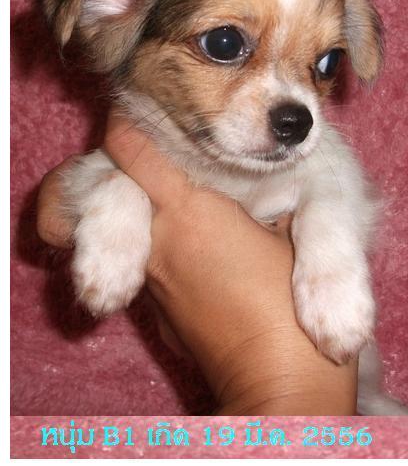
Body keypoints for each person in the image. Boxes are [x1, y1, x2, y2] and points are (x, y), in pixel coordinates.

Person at [36, 110, 358, 415]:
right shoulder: (140, 139)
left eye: (323, 72)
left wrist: (326, 258)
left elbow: (336, 185)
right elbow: (83, 184)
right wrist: (116, 201)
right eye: (223, 49)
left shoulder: (306, 156)